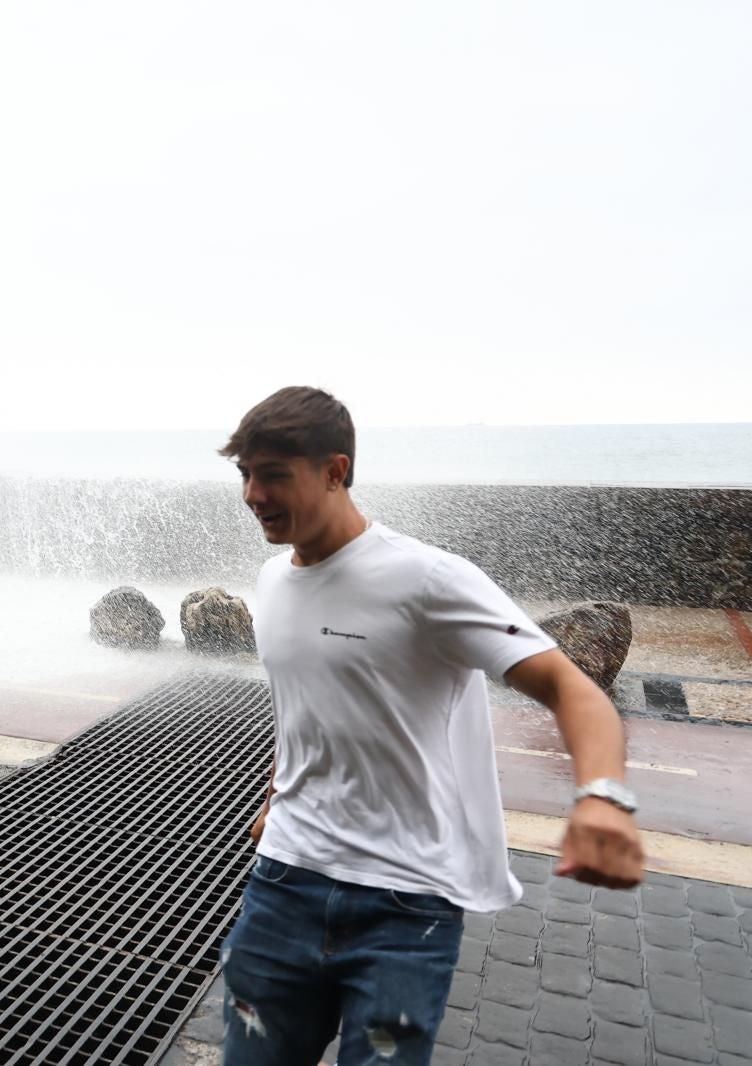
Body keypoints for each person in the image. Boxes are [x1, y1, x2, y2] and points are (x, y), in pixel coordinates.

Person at [217, 387, 644, 1066]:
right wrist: (276, 799)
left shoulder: (429, 580)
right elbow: (306, 705)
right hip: (283, 887)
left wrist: (603, 796)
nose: (252, 494)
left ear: (335, 470)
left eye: (273, 474)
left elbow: (572, 688)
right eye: (245, 474)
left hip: (404, 905)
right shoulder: (272, 582)